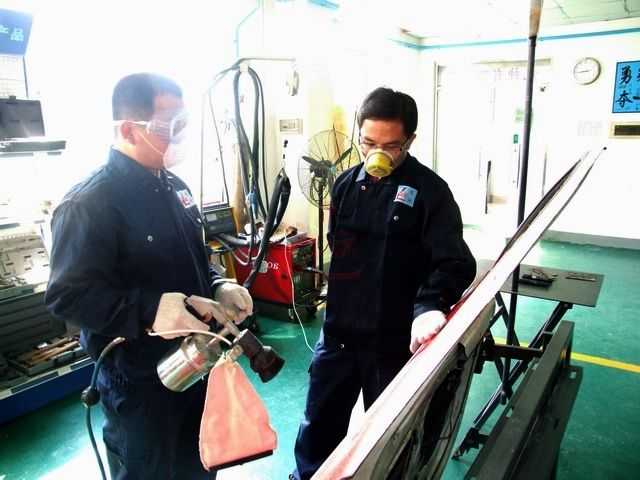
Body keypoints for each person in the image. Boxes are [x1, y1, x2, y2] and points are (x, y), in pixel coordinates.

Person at [45, 73, 253, 479]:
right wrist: (148, 310)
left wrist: (217, 284)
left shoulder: (176, 187)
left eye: (183, 124)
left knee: (200, 465)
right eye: (169, 126)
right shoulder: (89, 204)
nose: (180, 136)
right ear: (128, 130)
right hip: (139, 384)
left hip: (196, 367)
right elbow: (67, 295)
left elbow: (193, 257)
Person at [291, 87, 476, 480]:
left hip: (392, 341)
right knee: (318, 426)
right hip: (339, 335)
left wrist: (429, 305)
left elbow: (455, 262)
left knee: (393, 438)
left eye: (391, 146)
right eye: (368, 143)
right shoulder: (344, 185)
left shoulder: (431, 192)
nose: (377, 154)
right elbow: (338, 247)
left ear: (409, 141)